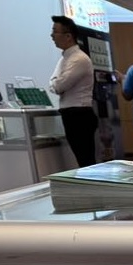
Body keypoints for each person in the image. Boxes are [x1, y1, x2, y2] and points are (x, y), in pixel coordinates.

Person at [48, 15, 98, 167]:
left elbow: (58, 86)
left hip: (79, 115)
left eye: (55, 31)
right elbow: (53, 84)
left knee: (86, 160)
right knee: (82, 159)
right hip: (71, 115)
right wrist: (55, 82)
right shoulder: (65, 58)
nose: (51, 35)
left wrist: (55, 82)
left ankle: (89, 183)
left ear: (68, 36)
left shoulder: (79, 59)